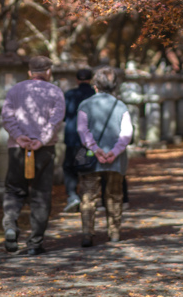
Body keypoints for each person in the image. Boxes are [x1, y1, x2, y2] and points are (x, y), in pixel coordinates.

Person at [0, 56, 65, 256]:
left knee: (14, 189)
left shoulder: (15, 90)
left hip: (18, 148)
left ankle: (10, 225)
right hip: (44, 149)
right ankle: (35, 243)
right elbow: (55, 120)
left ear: (29, 72)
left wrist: (19, 137)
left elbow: (7, 117)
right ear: (48, 72)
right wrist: (41, 140)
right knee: (41, 193)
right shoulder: (55, 92)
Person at [77, 66, 133, 247]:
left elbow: (82, 130)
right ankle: (114, 232)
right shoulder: (121, 106)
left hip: (91, 158)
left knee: (88, 196)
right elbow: (127, 133)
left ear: (95, 85)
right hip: (116, 159)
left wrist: (95, 149)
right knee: (114, 195)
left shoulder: (85, 105)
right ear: (114, 85)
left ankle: (87, 234)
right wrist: (114, 152)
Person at [62, 68, 96, 213]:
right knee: (87, 166)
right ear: (91, 80)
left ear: (76, 80)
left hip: (73, 138)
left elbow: (63, 116)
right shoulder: (95, 95)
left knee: (70, 167)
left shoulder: (70, 95)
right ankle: (88, 197)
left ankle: (73, 196)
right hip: (90, 140)